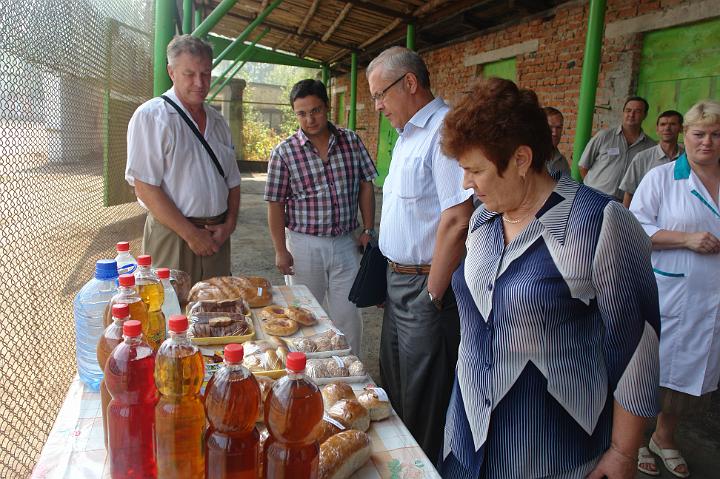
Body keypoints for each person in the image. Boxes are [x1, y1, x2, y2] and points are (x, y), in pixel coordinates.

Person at [439, 77, 660, 479]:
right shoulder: (484, 218)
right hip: (468, 436)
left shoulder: (600, 221)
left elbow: (638, 343)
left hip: (553, 448)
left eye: (476, 170)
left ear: (521, 159)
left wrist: (624, 453)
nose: (466, 183)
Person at [366, 46, 474, 461]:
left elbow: (458, 218)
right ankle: (399, 465)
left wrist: (432, 291)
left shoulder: (444, 130)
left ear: (409, 83)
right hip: (398, 283)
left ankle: (423, 468)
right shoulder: (409, 134)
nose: (377, 106)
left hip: (425, 283)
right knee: (394, 386)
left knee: (424, 395)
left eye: (380, 95)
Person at [630, 100, 720, 478]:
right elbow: (635, 227)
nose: (708, 143)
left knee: (690, 378)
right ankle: (634, 439)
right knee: (652, 370)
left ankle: (664, 437)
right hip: (671, 294)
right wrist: (685, 239)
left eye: (716, 135)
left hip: (711, 299)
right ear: (686, 136)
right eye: (699, 134)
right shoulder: (663, 178)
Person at [264, 79, 377, 355]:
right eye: (301, 113)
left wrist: (369, 229)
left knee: (348, 315)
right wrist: (281, 250)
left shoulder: (351, 141)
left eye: (315, 110)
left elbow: (366, 185)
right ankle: (308, 375)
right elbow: (276, 204)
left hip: (345, 242)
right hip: (304, 245)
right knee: (303, 314)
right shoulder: (284, 152)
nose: (309, 119)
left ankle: (350, 371)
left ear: (327, 107)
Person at [125, 35, 241, 284]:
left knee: (216, 310)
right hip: (173, 235)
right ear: (171, 72)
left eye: (206, 73)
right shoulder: (152, 117)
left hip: (216, 237)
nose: (200, 83)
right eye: (189, 74)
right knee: (171, 309)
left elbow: (233, 181)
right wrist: (191, 234)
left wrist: (228, 225)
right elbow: (145, 187)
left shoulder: (218, 122)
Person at [579, 96, 656, 200]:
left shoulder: (650, 146)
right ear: (623, 112)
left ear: (645, 115)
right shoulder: (604, 136)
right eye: (628, 110)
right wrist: (592, 188)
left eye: (637, 111)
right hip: (594, 197)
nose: (631, 115)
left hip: (624, 203)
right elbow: (583, 166)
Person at [621, 110, 684, 207]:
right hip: (647, 214)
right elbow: (629, 192)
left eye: (672, 124)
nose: (667, 128)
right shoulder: (642, 158)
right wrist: (625, 219)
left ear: (681, 128)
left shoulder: (687, 158)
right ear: (657, 129)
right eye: (663, 124)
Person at [543, 106, 571, 175]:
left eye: (558, 127)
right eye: (550, 127)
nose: (555, 133)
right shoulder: (529, 159)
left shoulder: (562, 163)